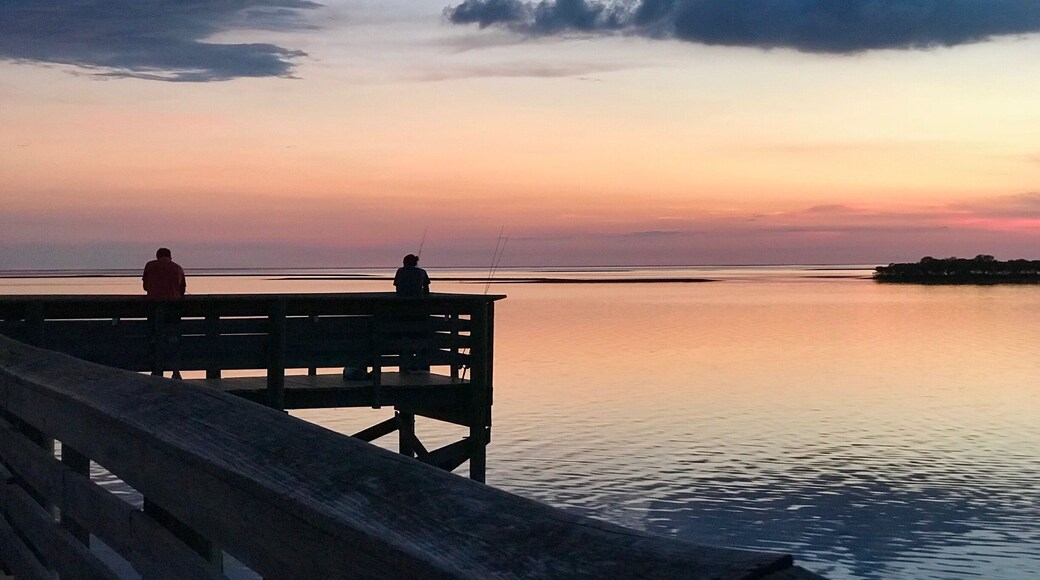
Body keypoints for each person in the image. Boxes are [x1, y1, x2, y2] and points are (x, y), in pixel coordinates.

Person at [143, 248, 186, 379]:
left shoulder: (150, 266)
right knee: (173, 339)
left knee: (155, 338)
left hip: (154, 308)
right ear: (170, 257)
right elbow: (182, 290)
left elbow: (145, 287)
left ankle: (156, 370)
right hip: (173, 308)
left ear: (157, 256)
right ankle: (175, 371)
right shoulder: (178, 268)